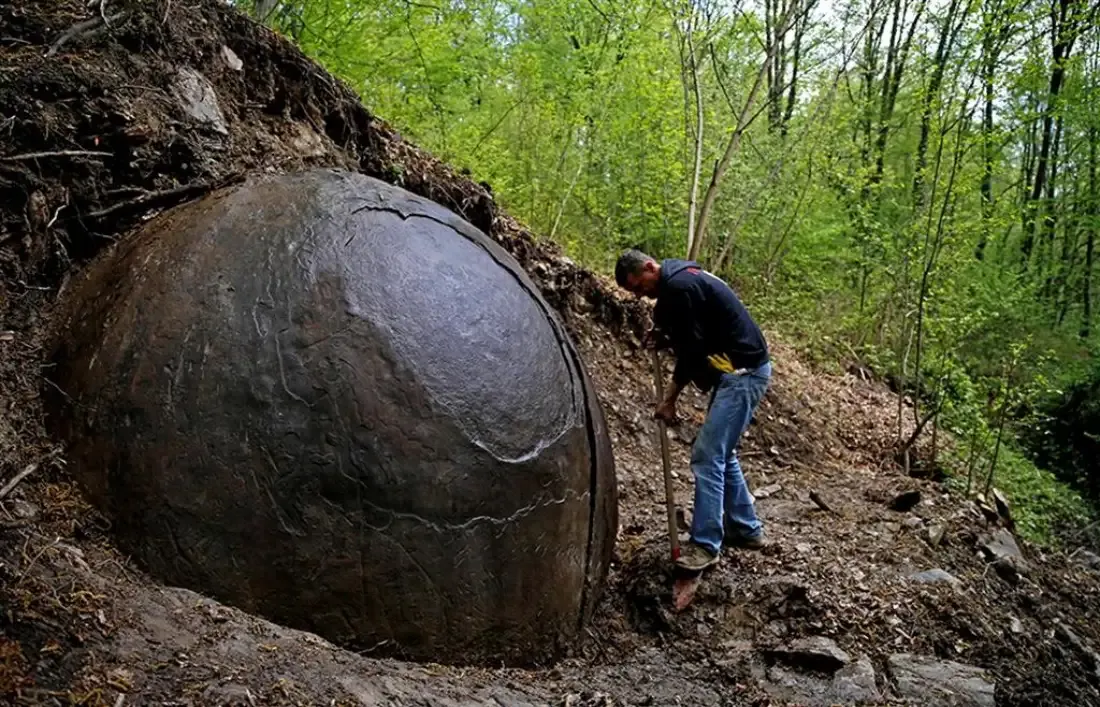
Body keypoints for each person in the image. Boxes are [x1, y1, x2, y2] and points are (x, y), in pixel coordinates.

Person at [614, 249, 772, 571]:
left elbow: (692, 351)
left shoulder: (681, 287)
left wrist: (670, 398)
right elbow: (693, 333)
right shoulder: (683, 281)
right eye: (635, 293)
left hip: (742, 374)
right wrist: (664, 335)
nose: (642, 296)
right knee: (722, 454)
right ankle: (746, 529)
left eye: (640, 287)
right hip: (739, 370)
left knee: (707, 455)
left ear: (649, 267)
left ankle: (705, 545)